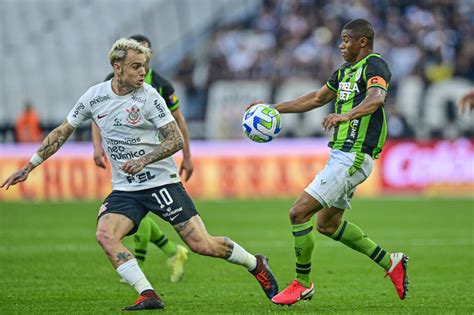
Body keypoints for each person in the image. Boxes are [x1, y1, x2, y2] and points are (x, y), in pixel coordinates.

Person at [2, 38, 278, 311]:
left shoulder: (150, 96)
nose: (142, 72)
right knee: (106, 235)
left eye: (144, 66)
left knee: (201, 245)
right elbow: (62, 131)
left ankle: (255, 264)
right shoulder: (94, 96)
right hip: (126, 189)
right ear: (117, 67)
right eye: (136, 67)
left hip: (161, 183)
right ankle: (148, 293)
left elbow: (175, 140)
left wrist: (143, 160)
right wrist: (29, 166)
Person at [246, 19, 408, 305]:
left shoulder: (375, 64)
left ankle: (302, 283)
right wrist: (273, 108)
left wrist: (345, 116)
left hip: (355, 154)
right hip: (341, 154)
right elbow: (316, 98)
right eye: (341, 39)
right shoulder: (344, 72)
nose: (341, 44)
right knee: (328, 225)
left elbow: (376, 98)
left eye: (346, 39)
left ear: (363, 42)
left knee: (298, 213)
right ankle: (390, 262)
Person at [92, 34, 191, 283]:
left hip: (156, 159)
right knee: (136, 213)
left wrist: (187, 156)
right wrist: (97, 146)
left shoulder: (160, 85)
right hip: (125, 160)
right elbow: (96, 114)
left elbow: (178, 121)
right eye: (137, 58)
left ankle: (141, 266)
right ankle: (170, 252)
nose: (142, 63)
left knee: (138, 213)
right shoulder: (112, 82)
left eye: (145, 56)